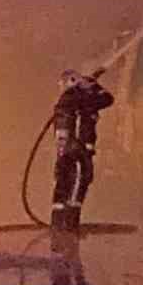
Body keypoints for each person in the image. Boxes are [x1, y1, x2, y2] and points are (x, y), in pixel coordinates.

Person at [51, 68, 115, 233]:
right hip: (78, 150)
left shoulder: (68, 99)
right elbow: (107, 99)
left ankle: (58, 225)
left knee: (63, 184)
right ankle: (69, 227)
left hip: (67, 150)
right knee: (79, 184)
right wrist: (92, 86)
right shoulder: (79, 98)